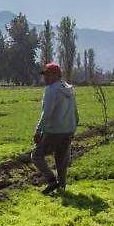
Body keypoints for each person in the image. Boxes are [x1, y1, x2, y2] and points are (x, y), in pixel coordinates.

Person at [31, 62, 79, 195]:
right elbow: (75, 112)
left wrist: (38, 130)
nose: (45, 78)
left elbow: (46, 113)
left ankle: (51, 180)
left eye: (47, 75)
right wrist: (73, 128)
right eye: (44, 75)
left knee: (36, 156)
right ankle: (61, 188)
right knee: (61, 160)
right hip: (68, 130)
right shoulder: (70, 89)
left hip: (54, 131)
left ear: (56, 75)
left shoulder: (51, 90)